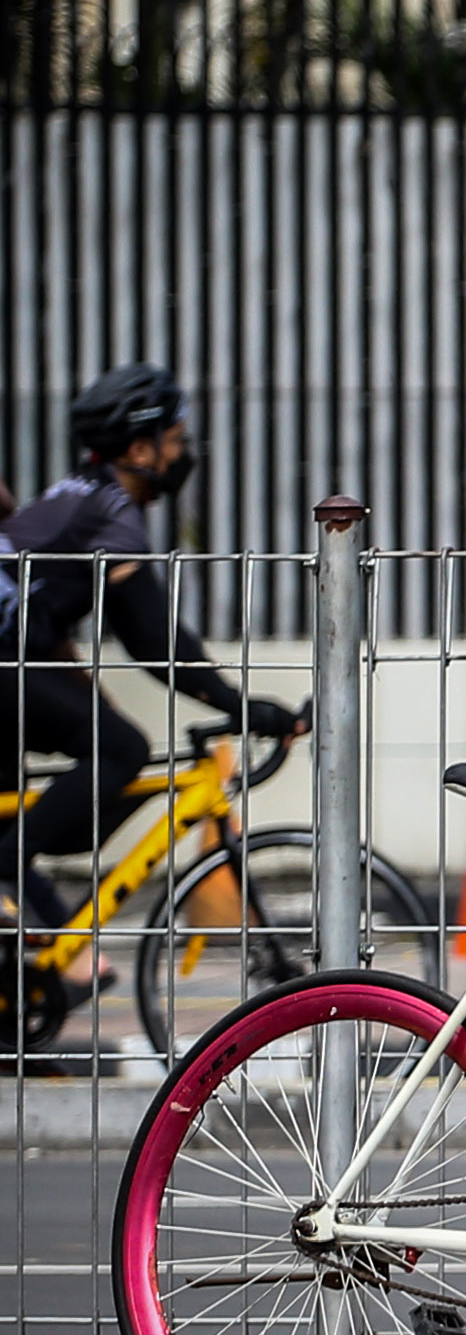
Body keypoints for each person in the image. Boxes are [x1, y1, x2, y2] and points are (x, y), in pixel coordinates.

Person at [5, 367, 297, 978]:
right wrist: (242, 707)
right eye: (175, 438)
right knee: (122, 749)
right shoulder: (111, 516)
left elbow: (43, 615)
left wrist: (88, 692)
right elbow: (155, 639)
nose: (182, 453)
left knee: (27, 812)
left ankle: (34, 982)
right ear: (141, 450)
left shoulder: (75, 498)